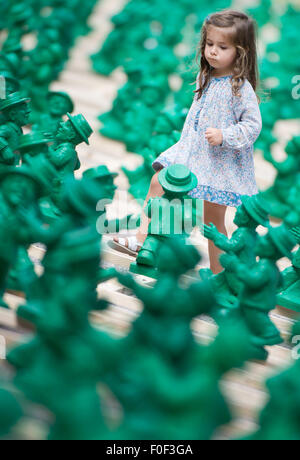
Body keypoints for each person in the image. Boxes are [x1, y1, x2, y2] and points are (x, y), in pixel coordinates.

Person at [113, 10, 262, 274]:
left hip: (218, 163)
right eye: (209, 44)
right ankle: (143, 240)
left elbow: (252, 126)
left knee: (213, 220)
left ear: (241, 52)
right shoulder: (206, 76)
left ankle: (221, 273)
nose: (213, 51)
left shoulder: (240, 88)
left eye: (222, 47)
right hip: (191, 151)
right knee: (158, 183)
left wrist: (224, 135)